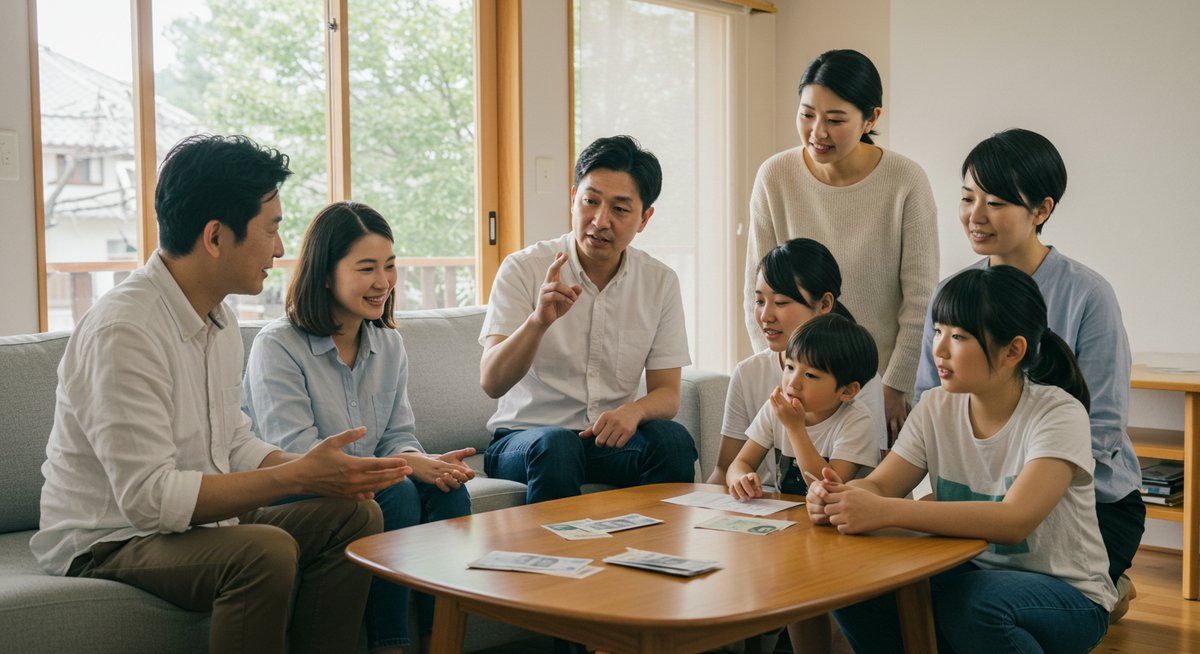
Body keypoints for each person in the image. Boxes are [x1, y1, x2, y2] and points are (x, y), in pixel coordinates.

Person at [30, 134, 413, 653]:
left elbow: (233, 442)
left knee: (357, 513)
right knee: (263, 552)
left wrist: (322, 470)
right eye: (270, 229)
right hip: (111, 538)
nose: (280, 249)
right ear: (215, 236)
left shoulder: (219, 318)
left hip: (191, 524)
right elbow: (149, 500)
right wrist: (296, 476)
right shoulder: (125, 329)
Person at [808, 265, 1115, 653]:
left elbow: (1015, 520)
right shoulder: (935, 406)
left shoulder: (1059, 413)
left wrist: (885, 511)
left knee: (975, 603)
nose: (938, 349)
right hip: (970, 573)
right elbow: (882, 484)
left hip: (1068, 595)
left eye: (958, 336)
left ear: (1013, 351)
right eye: (938, 331)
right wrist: (841, 497)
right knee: (855, 584)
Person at [913, 128, 1144, 621]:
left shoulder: (1088, 295)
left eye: (996, 203)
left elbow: (1102, 427)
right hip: (984, 496)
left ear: (1042, 209)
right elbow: (928, 402)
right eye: (967, 198)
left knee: (984, 602)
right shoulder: (952, 295)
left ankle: (1105, 588)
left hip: (1088, 505)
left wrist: (1013, 496)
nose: (975, 216)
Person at [242, 201, 474, 654]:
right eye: (367, 268)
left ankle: (442, 642)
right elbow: (298, 454)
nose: (383, 282)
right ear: (326, 274)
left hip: (368, 480)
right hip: (295, 489)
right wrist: (403, 466)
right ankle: (390, 645)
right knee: (397, 492)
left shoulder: (388, 344)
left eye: (390, 266)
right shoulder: (278, 346)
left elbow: (398, 435)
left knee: (450, 490)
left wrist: (420, 460)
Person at [479, 135, 696, 504]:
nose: (600, 221)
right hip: (526, 440)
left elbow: (667, 393)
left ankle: (658, 540)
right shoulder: (524, 269)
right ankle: (554, 545)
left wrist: (633, 412)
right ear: (572, 198)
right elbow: (492, 382)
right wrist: (538, 322)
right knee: (557, 445)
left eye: (620, 209)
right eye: (590, 201)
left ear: (644, 219)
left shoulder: (659, 281)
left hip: (606, 441)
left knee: (673, 441)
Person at [744, 49, 938, 444]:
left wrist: (894, 386)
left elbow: (921, 300)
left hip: (877, 382)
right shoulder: (775, 176)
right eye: (806, 114)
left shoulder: (906, 181)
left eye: (835, 120)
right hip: (799, 385)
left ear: (871, 119)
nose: (817, 132)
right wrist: (782, 375)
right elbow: (757, 289)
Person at [727, 313, 880, 654]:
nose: (793, 382)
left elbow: (826, 488)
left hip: (840, 534)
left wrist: (795, 429)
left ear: (848, 391)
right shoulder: (777, 409)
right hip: (792, 529)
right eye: (790, 367)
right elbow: (739, 462)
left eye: (810, 375)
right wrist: (741, 479)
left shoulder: (856, 422)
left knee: (815, 600)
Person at [707, 238, 886, 488]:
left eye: (781, 302)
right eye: (759, 301)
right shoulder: (750, 373)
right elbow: (728, 469)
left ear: (824, 304)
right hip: (770, 505)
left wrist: (795, 428)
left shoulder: (855, 378)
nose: (765, 316)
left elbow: (847, 484)